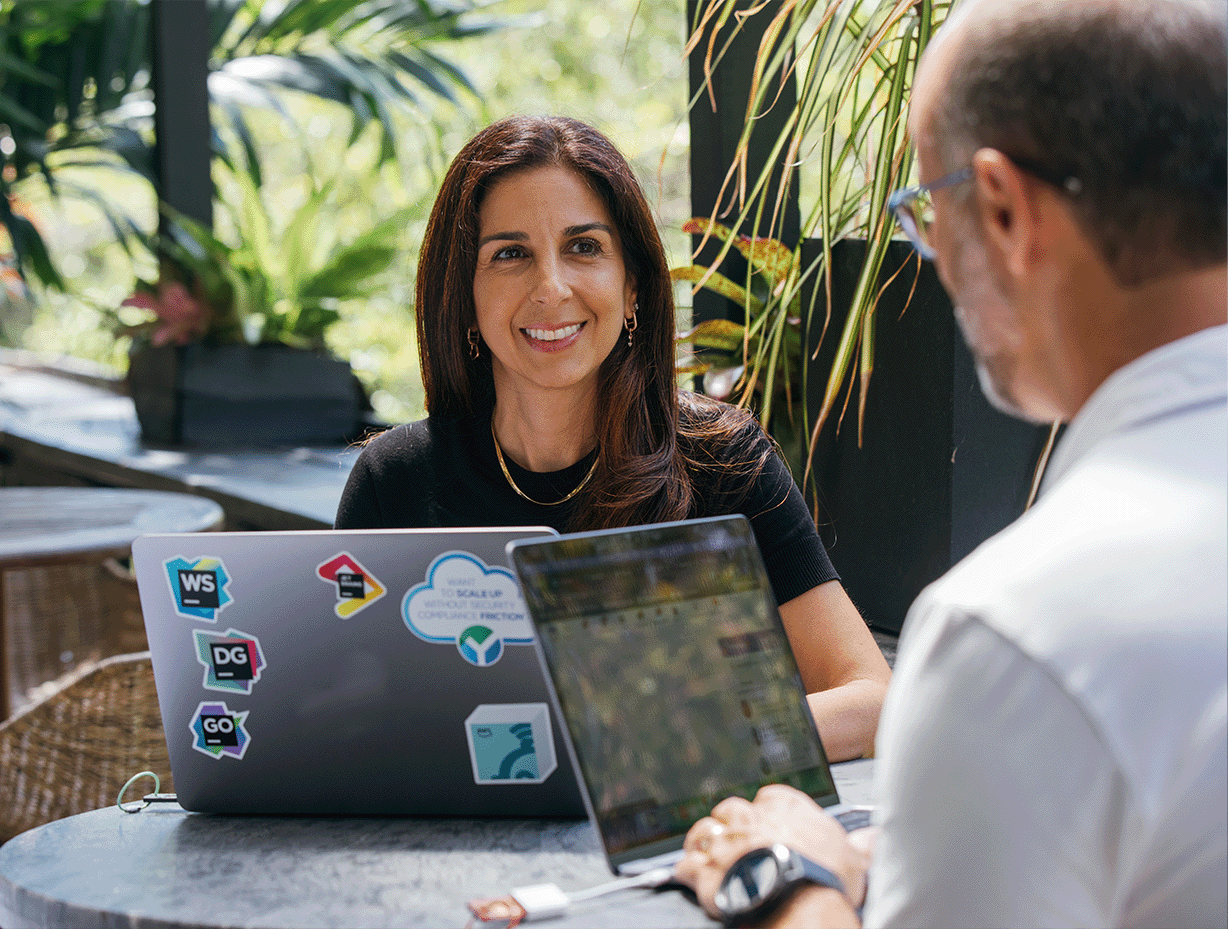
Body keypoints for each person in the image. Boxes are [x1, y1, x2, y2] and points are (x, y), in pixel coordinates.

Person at [674, 0, 1227, 926]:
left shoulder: (1015, 636)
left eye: (930, 208)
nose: (932, 259)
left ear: (1004, 208)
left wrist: (789, 880)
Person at [335, 115, 891, 762]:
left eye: (584, 248)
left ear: (632, 287)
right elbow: (345, 713)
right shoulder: (393, 479)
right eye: (510, 254)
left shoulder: (721, 459)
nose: (551, 287)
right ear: (464, 294)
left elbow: (872, 700)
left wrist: (678, 740)